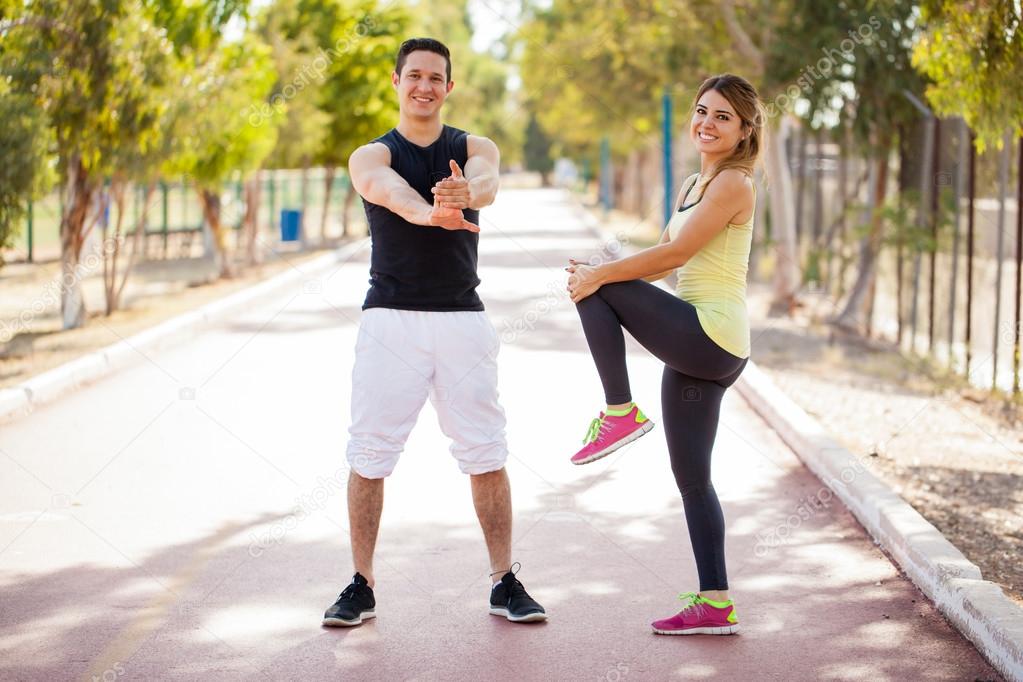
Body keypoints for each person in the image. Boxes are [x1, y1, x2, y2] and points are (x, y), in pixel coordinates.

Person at [322, 37, 546, 628]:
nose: (424, 86)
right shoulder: (371, 155)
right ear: (396, 81)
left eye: (435, 78)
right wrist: (429, 211)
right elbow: (388, 193)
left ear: (450, 87)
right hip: (389, 320)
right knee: (370, 454)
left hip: (463, 321)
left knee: (485, 452)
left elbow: (488, 180)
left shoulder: (473, 146)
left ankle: (504, 580)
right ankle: (361, 584)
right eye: (414, 75)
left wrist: (467, 193)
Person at [566, 74, 764, 635]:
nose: (706, 122)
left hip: (712, 333)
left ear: (745, 129)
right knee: (693, 478)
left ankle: (619, 412)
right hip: (699, 344)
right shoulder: (691, 185)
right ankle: (715, 602)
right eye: (702, 111)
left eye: (723, 116)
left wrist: (600, 273)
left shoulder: (734, 183)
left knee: (595, 285)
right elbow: (667, 261)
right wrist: (604, 264)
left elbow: (672, 253)